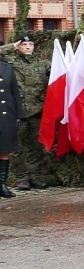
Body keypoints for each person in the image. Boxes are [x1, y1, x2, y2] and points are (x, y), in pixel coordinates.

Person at [3, 33, 48, 190]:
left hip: (37, 110)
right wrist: (12, 46)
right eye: (24, 45)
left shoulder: (43, 64)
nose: (28, 47)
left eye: (30, 45)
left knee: (36, 146)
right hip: (17, 111)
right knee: (17, 147)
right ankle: (22, 178)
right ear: (18, 46)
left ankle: (36, 176)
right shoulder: (10, 62)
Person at [0, 49, 26, 198]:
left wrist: (19, 115)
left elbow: (15, 92)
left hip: (6, 115)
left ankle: (2, 185)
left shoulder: (7, 67)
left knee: (4, 150)